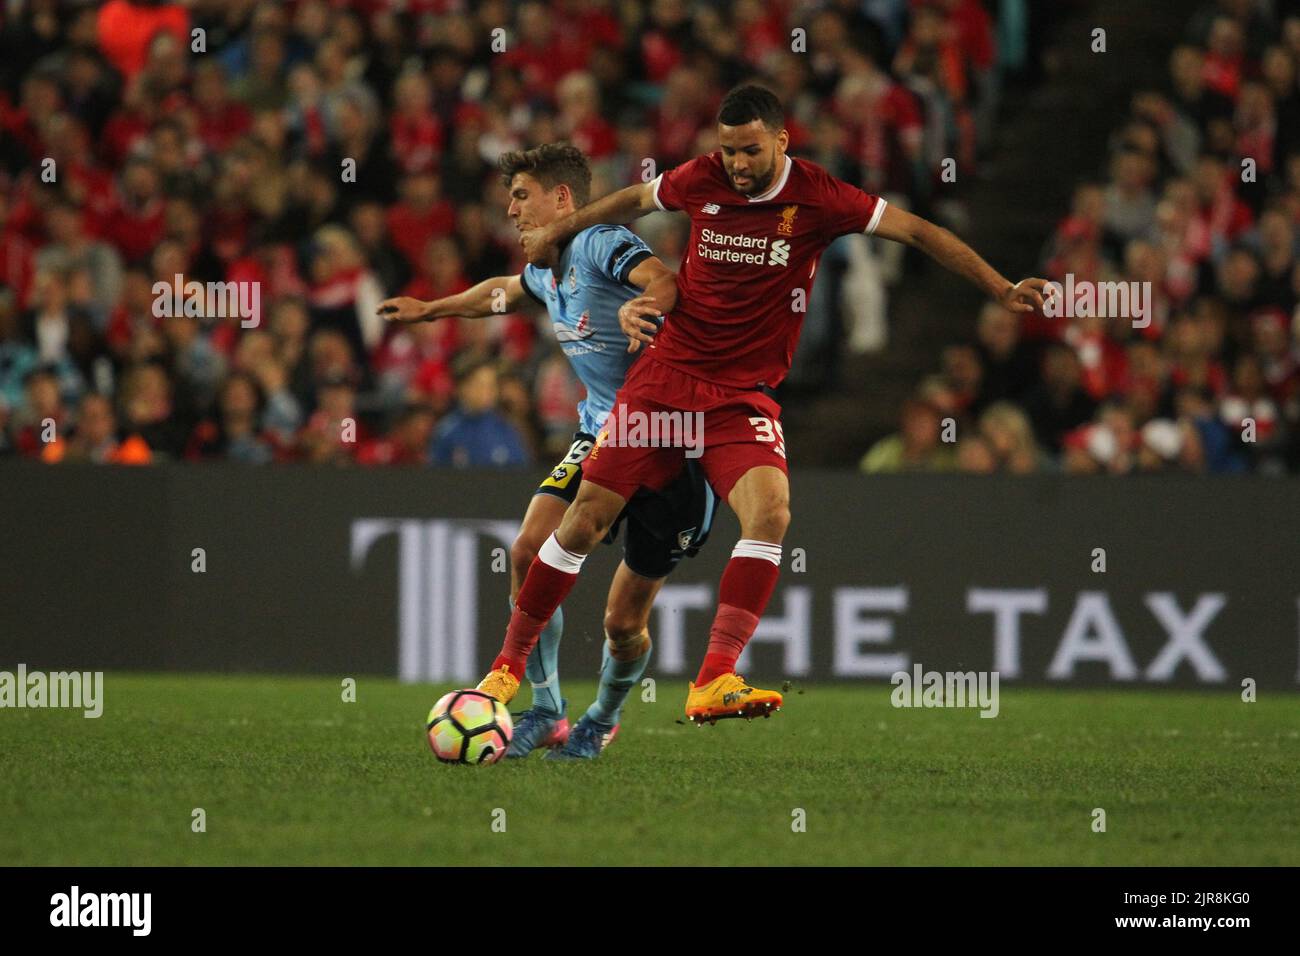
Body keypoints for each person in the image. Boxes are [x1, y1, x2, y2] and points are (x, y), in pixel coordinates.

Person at [484, 85, 1050, 724]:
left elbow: (918, 232)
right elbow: (635, 200)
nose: (737, 164)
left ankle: (714, 677)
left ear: (782, 140)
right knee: (583, 519)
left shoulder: (820, 196)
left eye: (750, 150)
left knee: (772, 511)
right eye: (727, 151)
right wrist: (567, 225)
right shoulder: (702, 177)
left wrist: (1000, 287)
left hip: (740, 397)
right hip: (666, 379)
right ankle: (506, 670)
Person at [377, 143, 717, 760]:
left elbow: (663, 278)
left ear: (563, 199)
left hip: (664, 443)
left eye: (521, 195)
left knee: (623, 623)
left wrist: (647, 304)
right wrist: (432, 309)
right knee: (529, 550)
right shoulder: (544, 271)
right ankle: (548, 708)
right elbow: (499, 293)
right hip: (599, 434)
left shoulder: (598, 243)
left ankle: (603, 719)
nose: (509, 209)